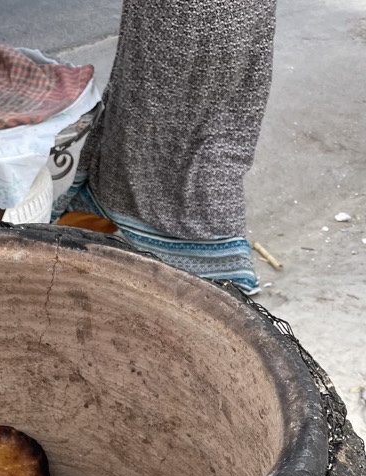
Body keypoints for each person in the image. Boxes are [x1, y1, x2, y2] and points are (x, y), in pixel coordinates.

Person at [60, 0, 276, 295]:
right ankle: (219, 266)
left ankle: (215, 266)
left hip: (187, 19)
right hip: (241, 17)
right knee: (213, 132)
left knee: (148, 121)